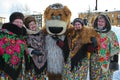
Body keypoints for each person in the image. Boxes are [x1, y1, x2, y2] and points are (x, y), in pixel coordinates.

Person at [92, 14, 120, 79]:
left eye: (102, 22)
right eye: (99, 21)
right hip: (94, 62)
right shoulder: (93, 33)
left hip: (106, 62)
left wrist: (114, 62)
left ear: (106, 23)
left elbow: (115, 49)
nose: (100, 23)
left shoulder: (111, 34)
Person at [0, 12, 27, 80]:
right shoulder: (3, 33)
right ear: (11, 22)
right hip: (4, 65)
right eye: (17, 22)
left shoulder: (23, 35)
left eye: (21, 22)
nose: (19, 24)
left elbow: (25, 48)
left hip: (20, 65)